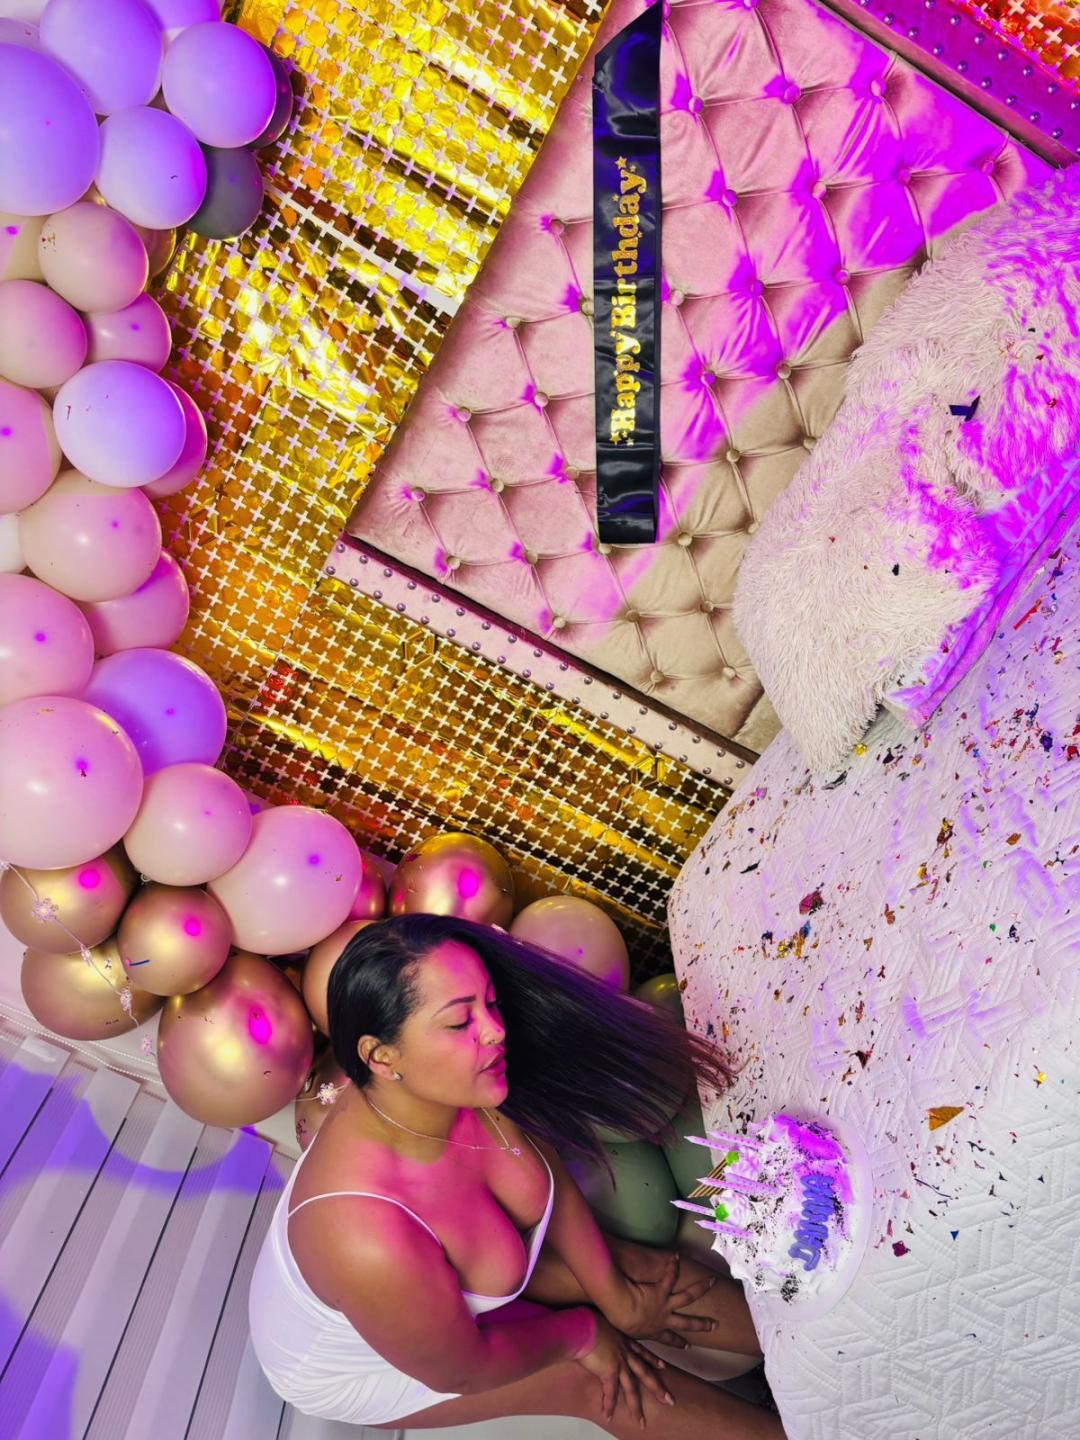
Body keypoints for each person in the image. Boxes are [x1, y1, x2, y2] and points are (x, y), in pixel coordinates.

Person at [249, 914, 785, 1438]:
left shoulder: (462, 1079)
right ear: (382, 1057)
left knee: (634, 1272)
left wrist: (618, 1297)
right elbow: (465, 1370)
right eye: (460, 1022)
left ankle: (814, 1331)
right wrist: (585, 1333)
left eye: (490, 1002)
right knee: (588, 1378)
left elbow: (543, 1180)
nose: (495, 1030)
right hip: (359, 1361)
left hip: (421, 1265)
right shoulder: (367, 1238)